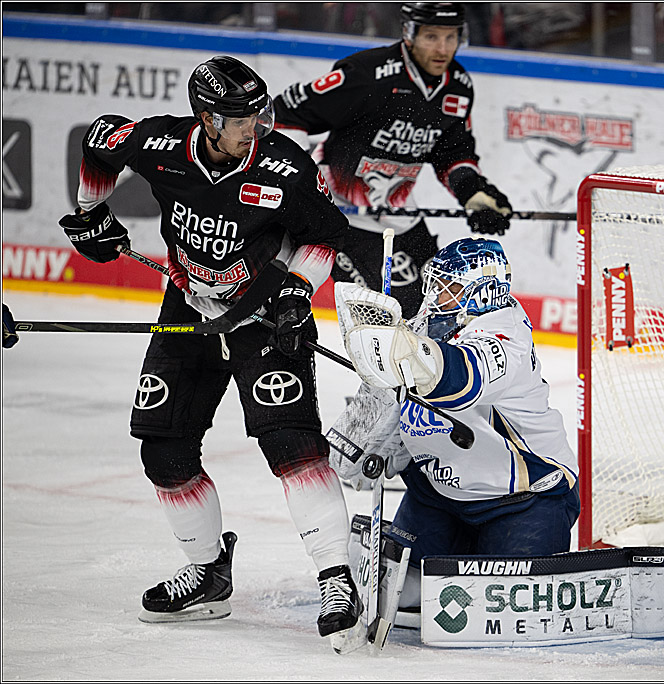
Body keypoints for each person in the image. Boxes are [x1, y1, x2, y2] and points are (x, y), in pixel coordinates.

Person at [61, 55, 364, 652]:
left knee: (290, 442)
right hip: (186, 307)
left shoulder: (285, 167)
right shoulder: (159, 142)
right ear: (206, 118)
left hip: (262, 314)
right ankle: (206, 572)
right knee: (164, 445)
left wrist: (296, 296)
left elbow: (326, 236)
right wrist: (91, 213)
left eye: (260, 111)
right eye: (241, 117)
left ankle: (336, 575)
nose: (257, 125)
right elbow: (100, 142)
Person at [334, 237, 580, 614]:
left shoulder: (506, 335)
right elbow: (370, 437)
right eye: (433, 284)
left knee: (510, 608)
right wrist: (365, 443)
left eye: (446, 287)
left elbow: (460, 381)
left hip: (525, 499)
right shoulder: (425, 329)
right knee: (402, 598)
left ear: (482, 292)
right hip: (438, 497)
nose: (433, 296)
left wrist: (404, 353)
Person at [273, 2, 513, 318]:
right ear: (409, 34)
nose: (442, 48)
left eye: (451, 37)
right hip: (342, 212)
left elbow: (452, 153)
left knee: (437, 303)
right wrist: (298, 184)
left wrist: (472, 191)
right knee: (389, 315)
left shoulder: (458, 87)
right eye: (431, 37)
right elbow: (288, 113)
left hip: (399, 211)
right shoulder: (367, 75)